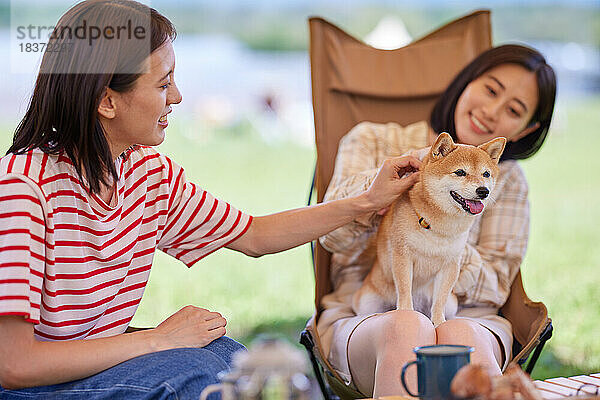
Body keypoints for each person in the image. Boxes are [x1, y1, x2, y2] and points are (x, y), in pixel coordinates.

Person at [0, 1, 422, 398]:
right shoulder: (23, 191)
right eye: (163, 83)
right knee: (198, 377)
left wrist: (367, 201)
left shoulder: (146, 172)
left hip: (94, 366)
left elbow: (254, 235)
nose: (178, 96)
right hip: (28, 387)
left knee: (233, 359)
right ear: (106, 101)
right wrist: (158, 340)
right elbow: (14, 365)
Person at [316, 44, 556, 397]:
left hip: (470, 315)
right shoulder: (373, 139)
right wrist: (384, 199)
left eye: (513, 110)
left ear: (525, 129)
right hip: (366, 309)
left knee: (460, 334)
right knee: (406, 325)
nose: (491, 112)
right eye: (490, 90)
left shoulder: (507, 181)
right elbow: (330, 236)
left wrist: (443, 237)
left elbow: (496, 283)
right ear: (466, 82)